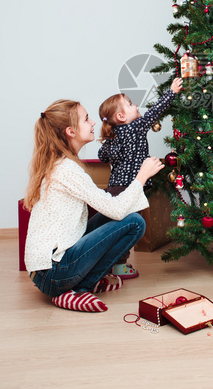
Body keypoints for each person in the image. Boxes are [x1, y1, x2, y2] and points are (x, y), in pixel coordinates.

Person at [24, 99, 164, 313]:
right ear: (71, 131)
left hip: (48, 270)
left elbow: (112, 210)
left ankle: (80, 284)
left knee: (118, 217)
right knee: (135, 222)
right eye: (86, 119)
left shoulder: (61, 164)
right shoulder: (67, 170)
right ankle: (79, 288)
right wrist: (141, 176)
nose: (93, 123)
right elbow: (117, 209)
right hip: (53, 275)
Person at [97, 78, 182, 278]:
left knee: (116, 228)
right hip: (131, 189)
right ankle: (118, 266)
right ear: (121, 116)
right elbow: (155, 112)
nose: (136, 106)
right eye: (130, 104)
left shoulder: (113, 137)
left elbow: (102, 156)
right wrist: (171, 92)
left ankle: (108, 262)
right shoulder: (135, 128)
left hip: (114, 190)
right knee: (129, 229)